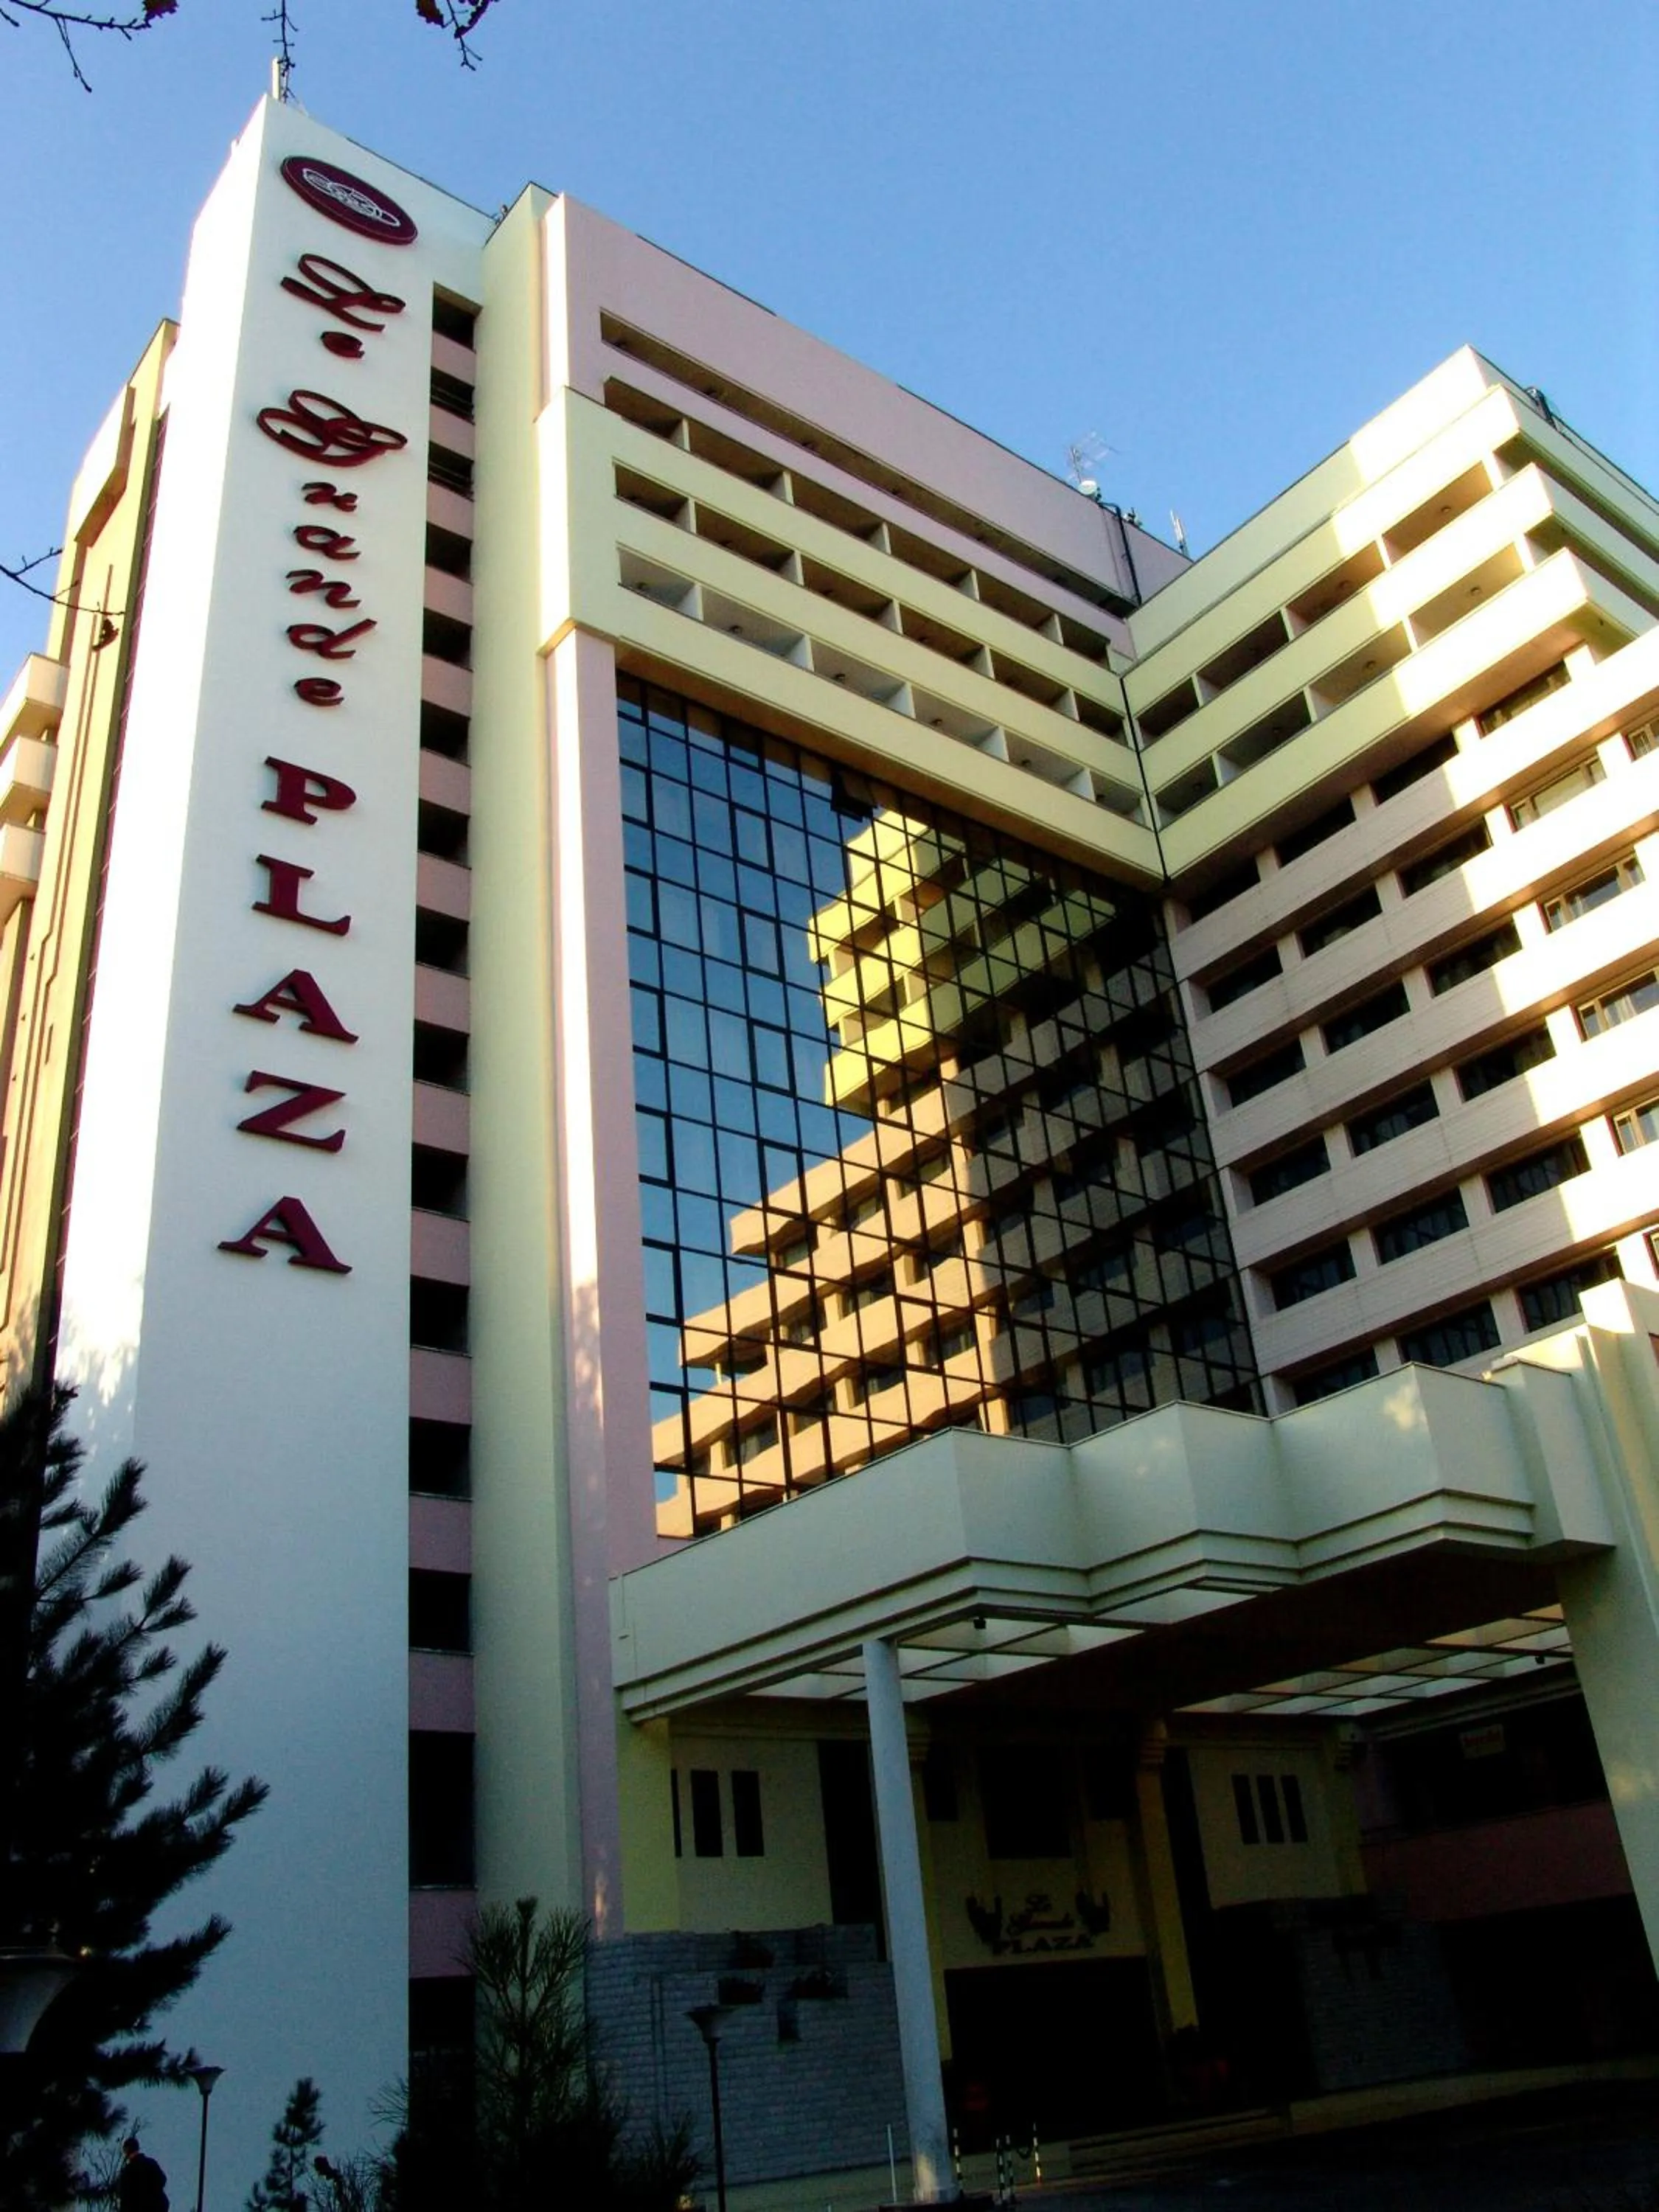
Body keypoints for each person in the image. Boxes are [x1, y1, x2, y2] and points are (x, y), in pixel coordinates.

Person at [117, 2135, 170, 2212]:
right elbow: (162, 2180)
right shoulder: (151, 2163)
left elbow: (125, 2197)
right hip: (158, 2207)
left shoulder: (127, 2172)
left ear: (126, 2151)